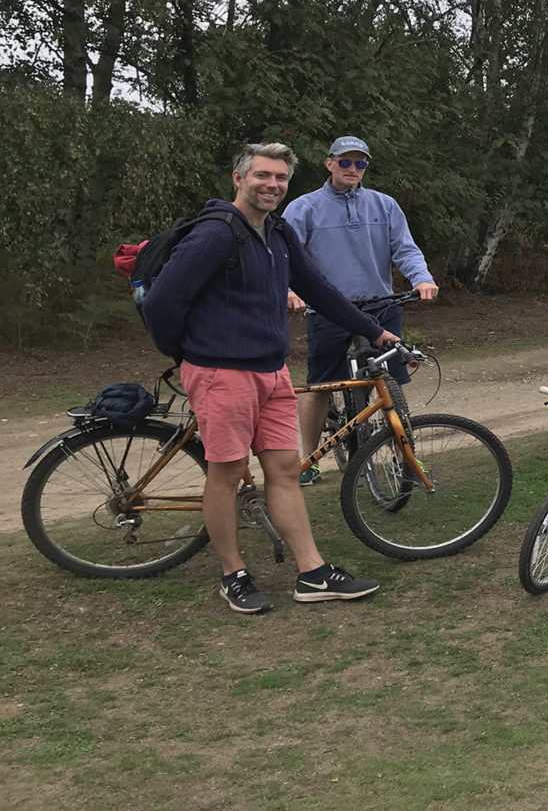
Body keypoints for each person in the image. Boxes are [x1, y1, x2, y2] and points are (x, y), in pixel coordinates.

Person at [142, 143, 399, 614]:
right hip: (222, 371)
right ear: (238, 179)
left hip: (271, 371)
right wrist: (187, 354)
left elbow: (319, 288)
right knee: (227, 474)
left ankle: (312, 573)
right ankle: (232, 575)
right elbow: (162, 303)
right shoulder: (217, 234)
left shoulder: (276, 232)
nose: (272, 185)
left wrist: (374, 330)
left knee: (282, 471)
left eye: (280, 178)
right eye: (262, 175)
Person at [283, 135, 438, 486]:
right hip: (327, 308)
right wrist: (291, 290)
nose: (353, 169)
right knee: (320, 385)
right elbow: (284, 257)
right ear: (329, 164)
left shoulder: (384, 205)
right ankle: (309, 460)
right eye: (345, 162)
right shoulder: (303, 208)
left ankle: (405, 457)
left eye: (360, 163)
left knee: (391, 383)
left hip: (381, 307)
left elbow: (405, 249)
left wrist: (422, 278)